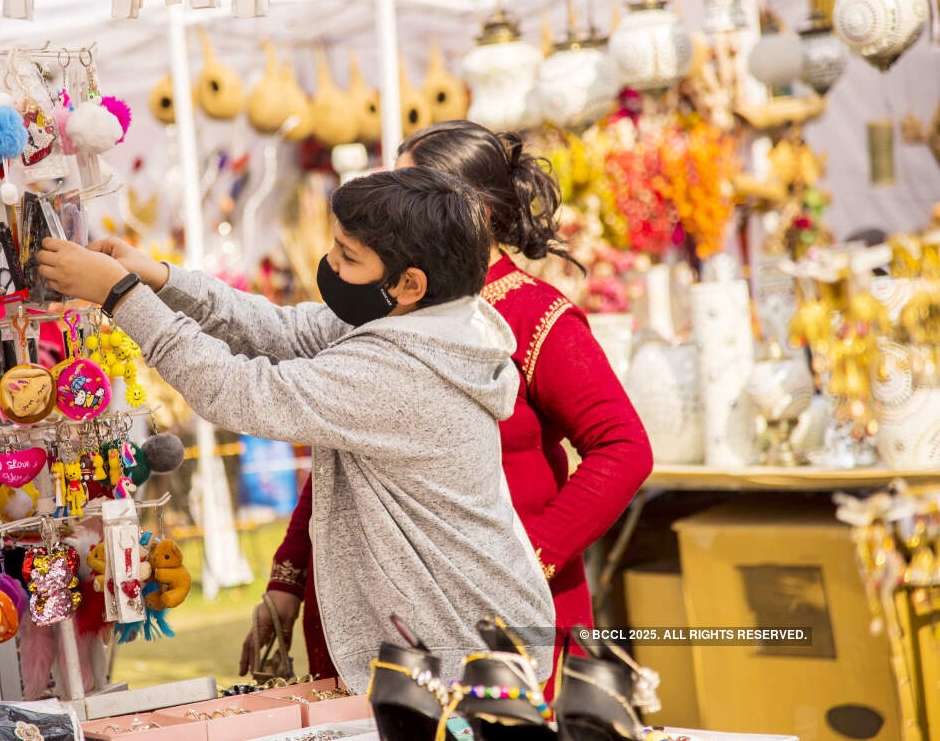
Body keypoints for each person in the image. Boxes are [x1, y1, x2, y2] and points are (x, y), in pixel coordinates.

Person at [37, 166, 557, 690]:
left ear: (409, 284)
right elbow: (278, 329)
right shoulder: (422, 324)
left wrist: (122, 296)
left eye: (347, 258)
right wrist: (161, 279)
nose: (329, 264)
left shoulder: (401, 370)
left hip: (463, 652)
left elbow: (237, 390)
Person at [244, 120, 653, 697]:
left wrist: (528, 560)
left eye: (411, 190)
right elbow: (346, 447)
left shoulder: (536, 316)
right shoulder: (394, 301)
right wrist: (289, 574)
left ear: (473, 214)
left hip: (487, 613)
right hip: (371, 601)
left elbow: (624, 448)